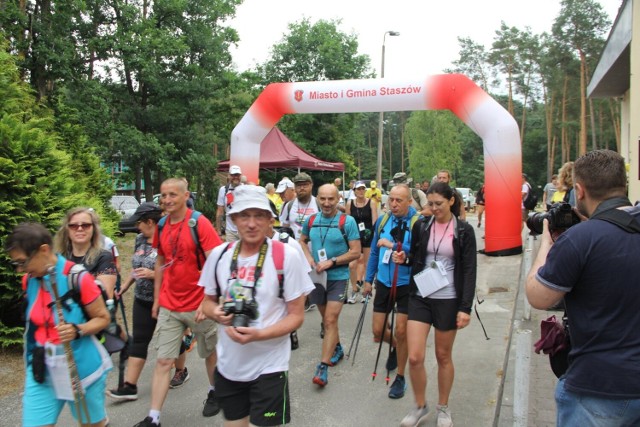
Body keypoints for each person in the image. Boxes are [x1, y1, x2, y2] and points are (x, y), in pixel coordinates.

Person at [526, 149, 640, 426]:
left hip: (597, 387)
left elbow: (538, 296)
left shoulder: (580, 239)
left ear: (579, 189)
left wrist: (548, 243)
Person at [200, 185, 315, 426]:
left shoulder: (287, 256)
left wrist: (259, 334)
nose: (251, 224)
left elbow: (297, 316)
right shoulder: (219, 256)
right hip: (229, 365)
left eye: (259, 215)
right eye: (244, 215)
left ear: (270, 220)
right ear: (234, 220)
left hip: (270, 365)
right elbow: (206, 303)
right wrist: (218, 314)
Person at [134, 178, 222, 427]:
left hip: (198, 304)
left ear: (185, 196)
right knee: (164, 360)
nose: (167, 200)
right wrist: (158, 298)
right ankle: (154, 417)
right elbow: (161, 260)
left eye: (172, 194)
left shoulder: (200, 223)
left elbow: (215, 263)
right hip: (170, 305)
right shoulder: (161, 225)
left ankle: (215, 391)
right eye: (163, 195)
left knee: (209, 352)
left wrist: (208, 299)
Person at [6, 222, 112, 427]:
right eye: (16, 264)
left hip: (80, 368)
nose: (20, 269)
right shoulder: (29, 280)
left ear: (44, 250)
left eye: (22, 262)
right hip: (42, 368)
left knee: (91, 424)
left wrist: (76, 330)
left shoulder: (77, 277)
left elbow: (103, 318)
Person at [395, 182, 477, 427]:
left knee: (443, 355)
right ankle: (420, 406)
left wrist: (465, 307)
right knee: (415, 357)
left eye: (438, 204)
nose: (433, 208)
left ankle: (443, 407)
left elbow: (470, 270)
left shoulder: (463, 230)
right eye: (429, 204)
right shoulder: (422, 225)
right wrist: (405, 258)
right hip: (421, 296)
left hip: (449, 299)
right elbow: (418, 257)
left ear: (451, 201)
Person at [107, 202, 190, 400]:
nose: (137, 227)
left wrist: (154, 274)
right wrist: (124, 287)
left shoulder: (169, 240)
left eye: (140, 223)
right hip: (142, 299)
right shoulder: (139, 240)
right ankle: (129, 386)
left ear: (151, 222)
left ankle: (181, 370)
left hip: (165, 300)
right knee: (140, 340)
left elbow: (178, 271)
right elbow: (136, 268)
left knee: (169, 341)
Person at [300, 184, 361, 387]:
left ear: (338, 200)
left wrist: (332, 261)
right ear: (317, 198)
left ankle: (322, 367)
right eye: (323, 199)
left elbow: (356, 252)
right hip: (318, 277)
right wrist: (309, 258)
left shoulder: (347, 221)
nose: (327, 203)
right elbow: (301, 241)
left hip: (338, 276)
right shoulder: (311, 220)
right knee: (328, 321)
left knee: (330, 320)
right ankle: (338, 348)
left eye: (331, 199)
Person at [362, 184, 419, 399]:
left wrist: (397, 247)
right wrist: (368, 279)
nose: (393, 204)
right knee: (378, 332)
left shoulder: (417, 223)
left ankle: (401, 377)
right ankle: (396, 347)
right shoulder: (383, 221)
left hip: (407, 284)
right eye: (391, 200)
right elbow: (375, 252)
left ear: (409, 201)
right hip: (385, 282)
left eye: (399, 201)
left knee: (402, 331)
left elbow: (419, 253)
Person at [53, 207, 118, 300]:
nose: (79, 229)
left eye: (86, 225)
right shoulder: (59, 258)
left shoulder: (104, 258)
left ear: (93, 229)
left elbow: (104, 298)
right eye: (73, 225)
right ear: (66, 229)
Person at [345, 180, 378, 303]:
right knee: (352, 264)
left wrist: (375, 235)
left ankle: (366, 290)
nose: (361, 191)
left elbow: (375, 220)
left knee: (367, 264)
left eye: (363, 189)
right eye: (358, 189)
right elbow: (347, 221)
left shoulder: (371, 203)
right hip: (354, 236)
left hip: (368, 235)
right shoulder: (350, 203)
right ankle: (354, 289)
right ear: (354, 191)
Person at [279, 172, 319, 240]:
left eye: (305, 185)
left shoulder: (318, 204)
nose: (302, 188)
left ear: (311, 185)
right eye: (299, 185)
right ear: (294, 187)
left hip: (313, 248)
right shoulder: (289, 205)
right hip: (294, 248)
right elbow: (285, 228)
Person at [217, 165, 244, 242]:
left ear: (240, 176)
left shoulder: (245, 189)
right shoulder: (223, 190)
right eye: (233, 175)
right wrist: (219, 231)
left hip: (244, 230)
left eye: (237, 175)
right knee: (231, 252)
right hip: (230, 231)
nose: (235, 177)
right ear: (229, 176)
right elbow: (220, 211)